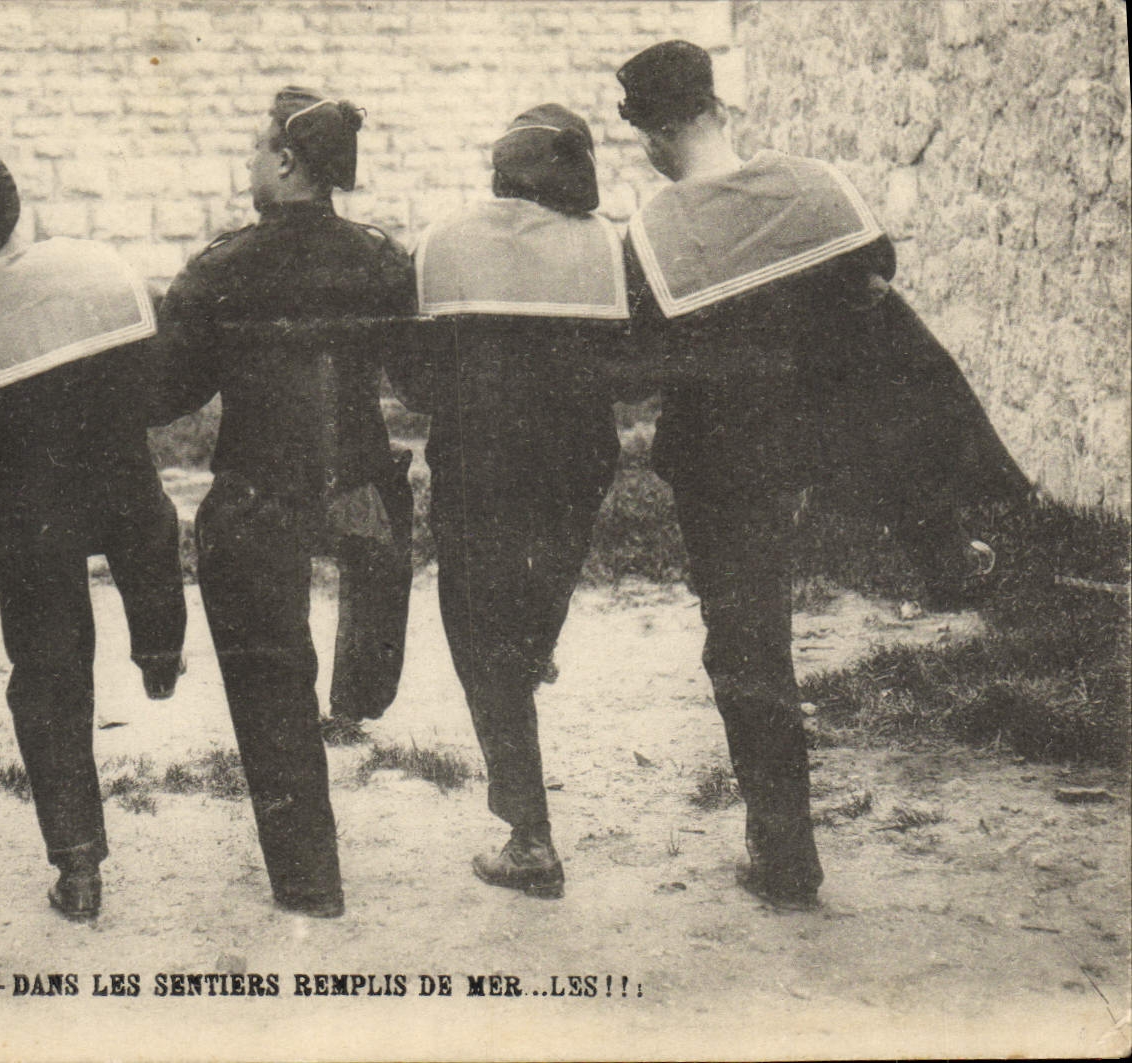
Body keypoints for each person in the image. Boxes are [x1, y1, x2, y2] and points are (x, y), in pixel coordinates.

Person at [615, 41, 1030, 909]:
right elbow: (879, 268)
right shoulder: (814, 184)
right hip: (840, 432)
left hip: (729, 459)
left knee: (748, 646)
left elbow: (645, 355)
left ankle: (785, 854)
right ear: (719, 109)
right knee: (876, 320)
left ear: (654, 134)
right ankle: (936, 530)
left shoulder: (652, 232)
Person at [0, 139, 187, 923]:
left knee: (49, 671)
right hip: (124, 488)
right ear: (15, 201)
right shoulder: (97, 268)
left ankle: (79, 863)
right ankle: (161, 650)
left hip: (25, 518)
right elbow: (158, 388)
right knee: (150, 538)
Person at [153, 86, 417, 917]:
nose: (248, 163)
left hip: (260, 492)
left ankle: (309, 880)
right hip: (364, 486)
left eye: (256, 148)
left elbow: (169, 394)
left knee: (268, 677)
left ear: (288, 163)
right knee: (358, 631)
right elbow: (412, 376)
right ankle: (364, 684)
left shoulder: (220, 268)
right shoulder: (381, 259)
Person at [397, 105, 629, 898]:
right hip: (578, 460)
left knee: (479, 633)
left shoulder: (442, 240)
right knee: (536, 598)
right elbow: (627, 368)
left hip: (478, 463)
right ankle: (535, 641)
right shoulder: (608, 243)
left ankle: (530, 836)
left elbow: (413, 378)